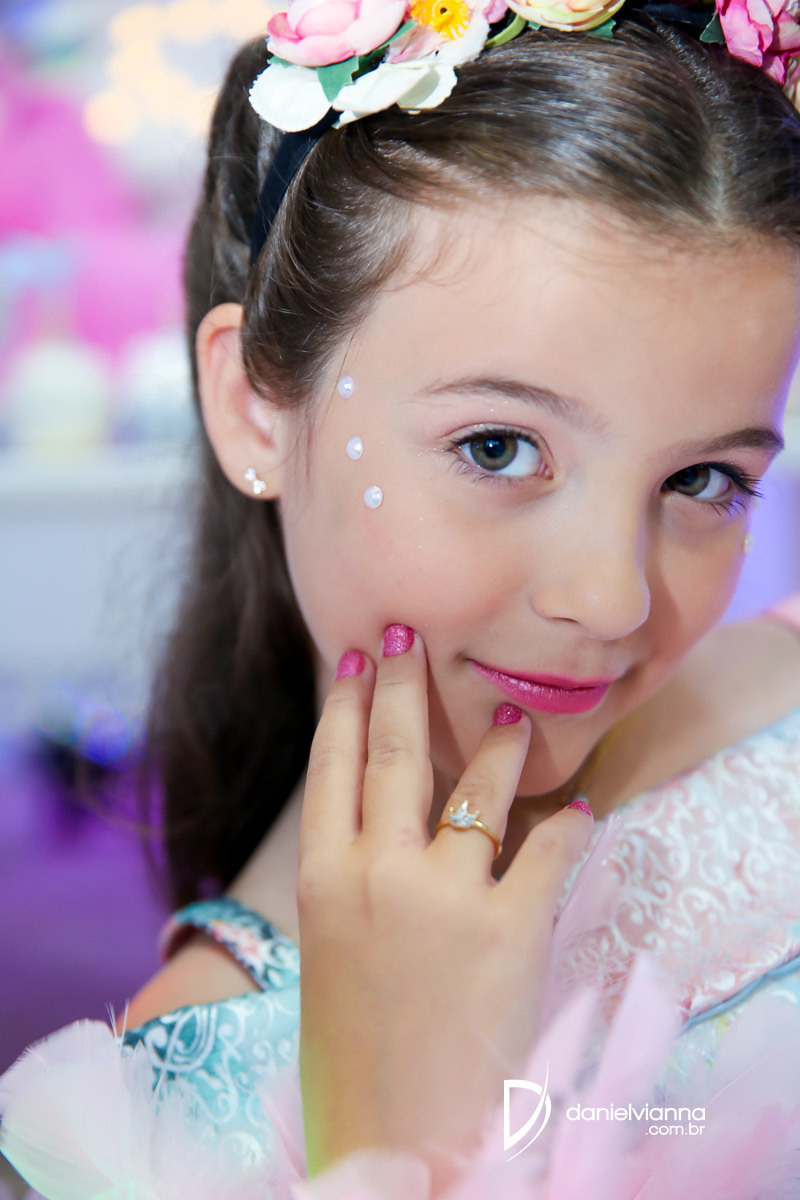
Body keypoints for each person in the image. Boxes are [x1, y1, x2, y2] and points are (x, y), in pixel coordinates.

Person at [3, 1, 800, 1195]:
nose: (609, 599)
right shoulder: (140, 1134)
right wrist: (394, 1148)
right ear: (253, 409)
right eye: (496, 448)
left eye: (702, 480)